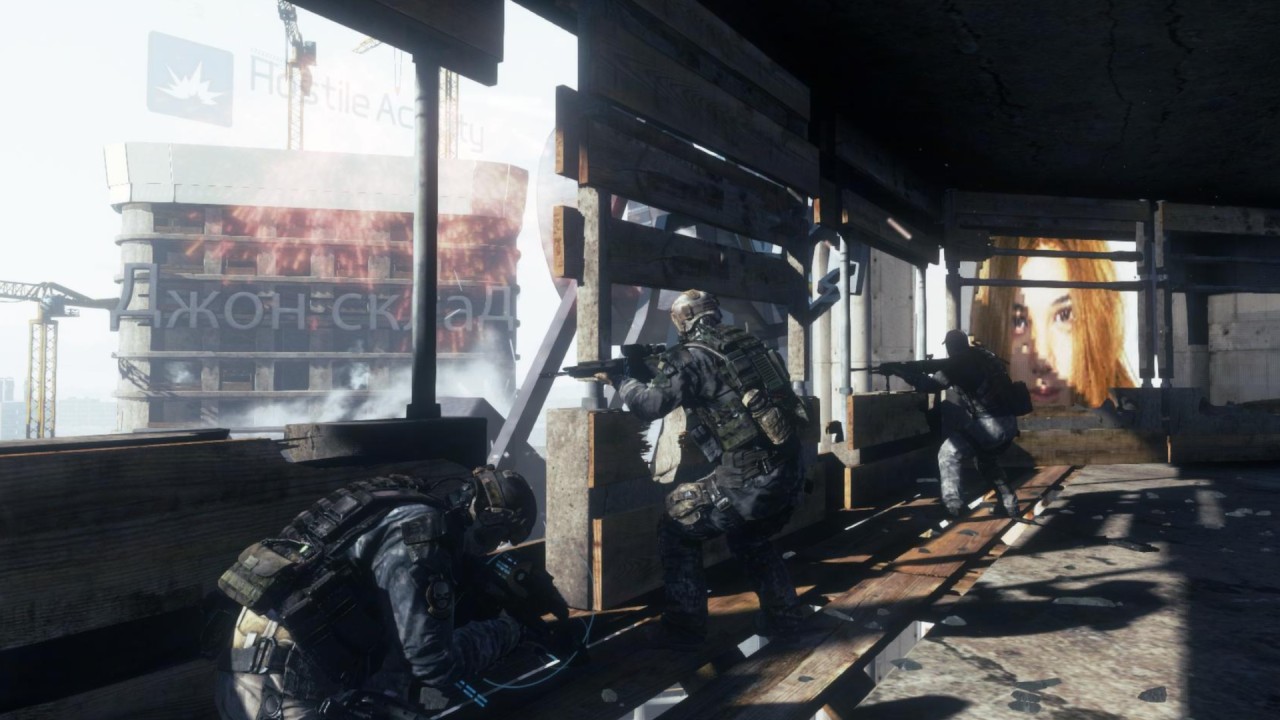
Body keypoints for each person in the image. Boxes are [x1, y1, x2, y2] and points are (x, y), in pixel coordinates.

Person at [213, 467, 542, 719]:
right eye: (497, 538)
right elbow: (432, 662)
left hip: (248, 673)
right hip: (280, 692)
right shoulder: (424, 535)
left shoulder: (398, 502)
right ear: (489, 521)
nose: (489, 549)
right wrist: (508, 630)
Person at [599, 289, 811, 647]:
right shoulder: (748, 345)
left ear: (682, 320)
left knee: (676, 525)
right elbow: (721, 383)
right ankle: (784, 616)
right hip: (788, 474)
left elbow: (650, 405)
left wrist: (621, 380)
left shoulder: (689, 357)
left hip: (750, 482)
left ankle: (684, 627)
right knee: (749, 536)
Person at [971, 236, 1136, 408]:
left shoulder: (1141, 420)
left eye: (1064, 315)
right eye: (1018, 321)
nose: (1042, 360)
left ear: (1099, 319)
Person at [886, 330, 1021, 518]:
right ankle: (1009, 505)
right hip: (1009, 421)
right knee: (985, 460)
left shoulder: (960, 363)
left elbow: (930, 385)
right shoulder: (982, 356)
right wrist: (922, 367)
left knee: (948, 453)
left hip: (991, 425)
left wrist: (902, 372)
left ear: (951, 347)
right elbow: (948, 368)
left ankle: (953, 506)